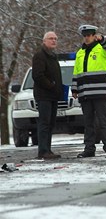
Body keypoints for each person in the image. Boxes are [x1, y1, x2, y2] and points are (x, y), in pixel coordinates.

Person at [72, 25, 106, 158]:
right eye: (84, 35)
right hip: (85, 94)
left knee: (104, 121)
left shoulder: (101, 48)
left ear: (94, 35)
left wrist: (102, 38)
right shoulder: (80, 52)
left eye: (89, 35)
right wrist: (74, 88)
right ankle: (89, 149)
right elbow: (76, 72)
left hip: (100, 93)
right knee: (88, 123)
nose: (86, 38)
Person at [31, 31, 63, 159]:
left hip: (53, 96)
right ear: (44, 41)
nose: (54, 40)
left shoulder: (53, 56)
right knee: (44, 123)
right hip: (44, 95)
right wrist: (51, 86)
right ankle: (43, 151)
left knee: (50, 123)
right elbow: (38, 76)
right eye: (51, 38)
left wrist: (59, 89)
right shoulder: (39, 56)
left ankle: (48, 150)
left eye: (55, 38)